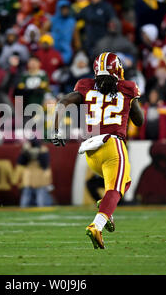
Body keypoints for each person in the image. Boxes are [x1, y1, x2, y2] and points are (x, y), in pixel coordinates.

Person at [52, 52, 144, 249]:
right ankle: (98, 225)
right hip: (113, 145)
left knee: (123, 182)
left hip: (91, 151)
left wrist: (56, 130)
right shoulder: (127, 88)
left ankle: (106, 208)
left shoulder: (85, 86)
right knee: (116, 189)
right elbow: (139, 121)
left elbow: (63, 103)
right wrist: (131, 100)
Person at [18, 138, 54, 208]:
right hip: (29, 179)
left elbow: (44, 165)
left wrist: (38, 154)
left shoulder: (43, 150)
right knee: (25, 202)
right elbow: (21, 162)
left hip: (40, 179)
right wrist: (26, 153)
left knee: (40, 201)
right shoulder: (26, 150)